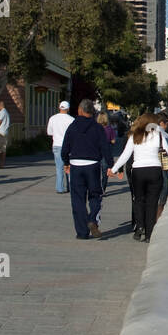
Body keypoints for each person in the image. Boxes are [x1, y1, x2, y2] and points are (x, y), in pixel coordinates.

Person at [109, 113, 168, 243]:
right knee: (152, 203)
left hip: (138, 171)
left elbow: (125, 155)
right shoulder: (158, 135)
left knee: (138, 200)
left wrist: (114, 169)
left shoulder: (134, 136)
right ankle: (149, 234)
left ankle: (139, 227)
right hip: (155, 170)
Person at [61, 100, 109, 239]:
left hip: (76, 165)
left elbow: (65, 148)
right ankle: (92, 219)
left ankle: (82, 232)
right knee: (95, 194)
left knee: (78, 199)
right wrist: (111, 165)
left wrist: (66, 161)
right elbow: (105, 147)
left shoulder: (72, 127)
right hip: (93, 165)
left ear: (80, 110)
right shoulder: (98, 128)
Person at [46, 100, 74, 194]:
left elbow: (49, 132)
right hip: (68, 145)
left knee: (59, 167)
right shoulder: (71, 119)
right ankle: (71, 186)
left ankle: (60, 188)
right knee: (69, 166)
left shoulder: (53, 118)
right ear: (68, 108)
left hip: (57, 144)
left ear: (59, 108)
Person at [96, 111, 116, 194]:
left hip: (96, 152)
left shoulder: (95, 128)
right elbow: (113, 141)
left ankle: (95, 188)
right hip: (106, 151)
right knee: (105, 172)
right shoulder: (109, 129)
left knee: (96, 172)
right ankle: (102, 189)